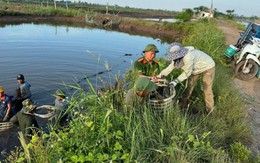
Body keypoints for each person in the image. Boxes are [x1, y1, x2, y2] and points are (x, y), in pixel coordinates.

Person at [158, 42, 215, 114]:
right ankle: (183, 105)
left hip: (207, 66)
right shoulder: (176, 57)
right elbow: (169, 68)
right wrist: (159, 76)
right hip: (195, 69)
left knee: (207, 90)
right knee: (189, 86)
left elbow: (187, 73)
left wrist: (175, 81)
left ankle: (210, 111)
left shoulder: (188, 57)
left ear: (179, 54)